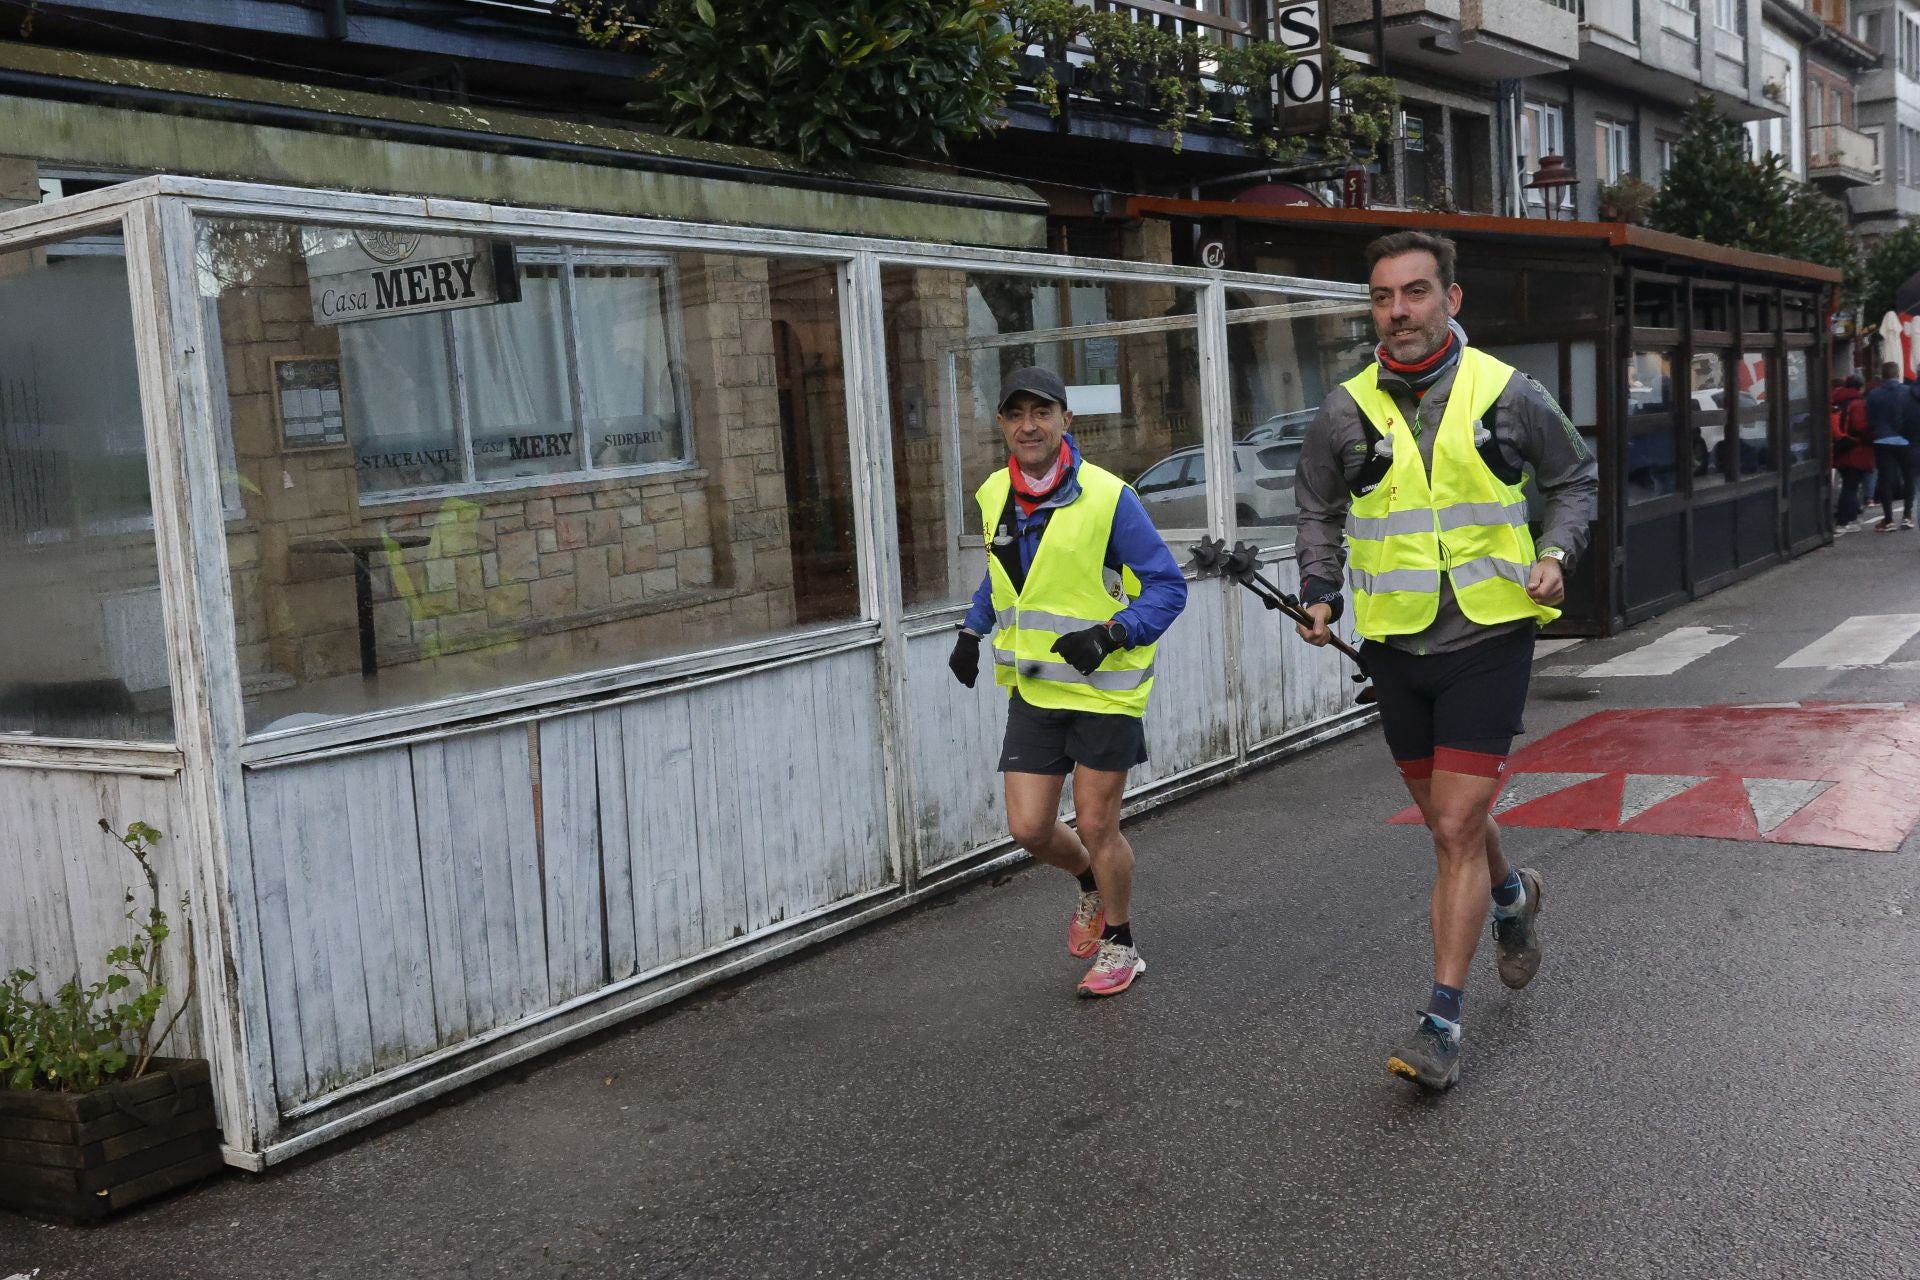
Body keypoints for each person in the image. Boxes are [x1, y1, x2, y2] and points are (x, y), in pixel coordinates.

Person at [1291, 231, 1598, 1090]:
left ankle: (1441, 1025)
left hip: (1489, 636)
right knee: (1448, 824)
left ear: (1451, 301)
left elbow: (1575, 478)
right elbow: (1316, 507)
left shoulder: (1510, 393)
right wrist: (1320, 588)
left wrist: (1556, 555)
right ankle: (1512, 900)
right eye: (1385, 296)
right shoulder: (1345, 411)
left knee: (1457, 828)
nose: (1401, 311)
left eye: (1418, 293)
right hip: (1395, 645)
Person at [948, 367, 1188, 998]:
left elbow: (1168, 587)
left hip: (1106, 690)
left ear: (1065, 420)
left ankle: (1121, 944)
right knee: (1028, 828)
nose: (1029, 425)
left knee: (1096, 822)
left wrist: (1112, 634)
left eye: (1042, 412)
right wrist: (971, 633)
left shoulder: (1109, 497)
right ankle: (1089, 884)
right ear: (1002, 423)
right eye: (1016, 414)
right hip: (1035, 688)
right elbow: (1008, 579)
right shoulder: (995, 491)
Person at [1865, 362, 1913, 531]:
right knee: (1909, 477)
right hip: (1906, 440)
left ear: (1883, 375)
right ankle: (1907, 516)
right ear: (1897, 374)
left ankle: (1888, 519)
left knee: (1885, 479)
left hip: (1882, 439)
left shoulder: (1874, 394)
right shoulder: (1908, 392)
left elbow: (1870, 420)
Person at [1832, 373, 1875, 532]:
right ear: (1860, 387)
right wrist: (1871, 435)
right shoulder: (1857, 403)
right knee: (1850, 485)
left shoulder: (1836, 400)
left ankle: (1851, 515)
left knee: (1848, 483)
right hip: (1855, 449)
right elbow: (1860, 427)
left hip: (1840, 446)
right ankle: (1844, 521)